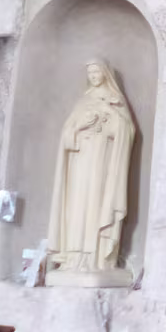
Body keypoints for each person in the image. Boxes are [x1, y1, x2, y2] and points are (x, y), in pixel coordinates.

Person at [46, 60, 137, 273]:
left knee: (97, 203)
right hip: (80, 162)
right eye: (90, 72)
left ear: (105, 73)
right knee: (77, 205)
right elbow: (67, 134)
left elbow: (127, 131)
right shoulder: (83, 100)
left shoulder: (115, 100)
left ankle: (95, 258)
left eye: (97, 71)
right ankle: (73, 257)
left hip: (102, 160)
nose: (94, 76)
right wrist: (81, 127)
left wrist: (109, 113)